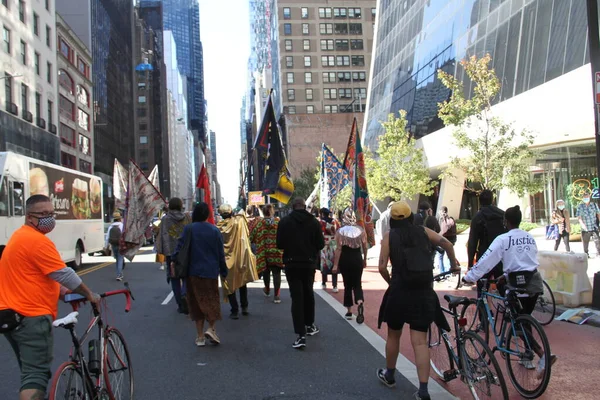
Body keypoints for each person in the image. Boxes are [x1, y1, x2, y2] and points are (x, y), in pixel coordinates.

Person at [0, 195, 100, 400]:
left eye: (51, 213)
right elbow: (65, 274)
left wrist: (62, 293)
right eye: (43, 214)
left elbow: (34, 275)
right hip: (31, 317)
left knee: (29, 371)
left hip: (11, 316)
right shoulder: (36, 240)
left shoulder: (20, 237)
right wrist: (89, 294)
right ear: (29, 217)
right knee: (35, 377)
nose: (49, 218)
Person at [377, 201, 459, 400]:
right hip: (422, 291)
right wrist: (454, 262)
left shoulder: (389, 237)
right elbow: (446, 243)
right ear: (411, 217)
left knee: (394, 335)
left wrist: (391, 282)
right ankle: (423, 391)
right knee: (420, 342)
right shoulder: (423, 231)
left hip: (398, 291)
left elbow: (381, 267)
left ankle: (390, 374)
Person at [463, 205, 557, 378]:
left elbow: (486, 261)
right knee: (524, 317)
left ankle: (542, 355)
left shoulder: (503, 239)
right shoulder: (529, 237)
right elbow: (524, 260)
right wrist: (504, 275)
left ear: (506, 221)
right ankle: (527, 355)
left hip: (516, 285)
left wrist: (469, 277)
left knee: (517, 320)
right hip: (534, 283)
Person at [173, 202, 228, 347]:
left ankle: (200, 337)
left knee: (196, 304)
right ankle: (211, 328)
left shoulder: (189, 229)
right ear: (208, 214)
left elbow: (179, 247)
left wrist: (174, 260)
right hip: (210, 272)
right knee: (211, 301)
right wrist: (224, 270)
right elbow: (220, 254)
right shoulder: (214, 231)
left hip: (193, 273)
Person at [277, 197, 325, 349]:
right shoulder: (314, 222)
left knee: (296, 297)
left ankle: (300, 334)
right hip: (309, 262)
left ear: (293, 207)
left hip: (291, 262)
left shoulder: (284, 222)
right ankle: (310, 324)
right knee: (308, 294)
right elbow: (321, 244)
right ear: (305, 207)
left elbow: (279, 244)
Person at [217, 204, 258, 319]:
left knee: (229, 285)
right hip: (240, 258)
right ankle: (244, 307)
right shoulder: (239, 222)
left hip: (226, 261)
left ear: (221, 214)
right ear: (231, 212)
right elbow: (242, 213)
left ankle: (234, 310)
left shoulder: (218, 227)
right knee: (242, 283)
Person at [156, 198, 192, 314]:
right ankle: (184, 293)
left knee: (175, 279)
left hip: (171, 253)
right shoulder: (187, 217)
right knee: (186, 276)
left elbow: (161, 236)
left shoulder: (165, 219)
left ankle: (180, 305)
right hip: (186, 252)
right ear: (181, 206)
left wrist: (161, 251)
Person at [467, 189, 507, 293]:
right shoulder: (502, 215)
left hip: (485, 257)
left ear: (480, 201)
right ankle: (510, 307)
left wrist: (470, 262)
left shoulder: (477, 217)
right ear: (492, 200)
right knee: (504, 289)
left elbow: (472, 242)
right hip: (501, 257)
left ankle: (483, 308)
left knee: (482, 290)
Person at [332, 209, 368, 322]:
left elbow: (338, 249)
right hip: (357, 257)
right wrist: (365, 259)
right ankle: (360, 301)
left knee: (347, 285)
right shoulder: (361, 230)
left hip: (345, 259)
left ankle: (349, 311)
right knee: (357, 283)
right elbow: (365, 246)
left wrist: (335, 265)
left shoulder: (340, 231)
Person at [250, 204, 284, 303]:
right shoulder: (278, 222)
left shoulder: (260, 223)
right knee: (277, 273)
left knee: (266, 271)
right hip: (276, 252)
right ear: (272, 211)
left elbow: (252, 236)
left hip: (264, 253)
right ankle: (277, 296)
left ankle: (267, 289)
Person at [319, 207, 340, 292]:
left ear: (322, 214)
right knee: (334, 263)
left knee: (325, 264)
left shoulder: (320, 223)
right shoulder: (335, 222)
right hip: (334, 244)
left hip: (324, 245)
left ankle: (324, 283)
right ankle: (334, 285)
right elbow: (338, 231)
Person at [576, 192, 600, 258]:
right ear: (583, 198)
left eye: (587, 197)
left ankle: (598, 253)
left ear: (589, 197)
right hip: (585, 227)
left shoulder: (594, 205)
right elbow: (579, 217)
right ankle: (586, 254)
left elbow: (598, 214)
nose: (586, 198)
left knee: (597, 240)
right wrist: (582, 224)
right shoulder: (580, 206)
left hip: (594, 226)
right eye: (585, 197)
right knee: (585, 242)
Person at [106, 211, 125, 281]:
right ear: (120, 218)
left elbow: (107, 237)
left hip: (113, 245)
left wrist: (106, 246)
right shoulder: (122, 225)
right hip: (120, 245)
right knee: (120, 259)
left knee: (117, 259)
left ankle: (119, 273)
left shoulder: (111, 226)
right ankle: (119, 274)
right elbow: (124, 235)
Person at [437, 206, 457, 273]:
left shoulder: (441, 219)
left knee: (440, 256)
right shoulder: (451, 219)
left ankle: (442, 272)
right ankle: (450, 270)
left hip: (442, 240)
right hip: (451, 241)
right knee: (449, 255)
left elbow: (441, 231)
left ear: (441, 211)